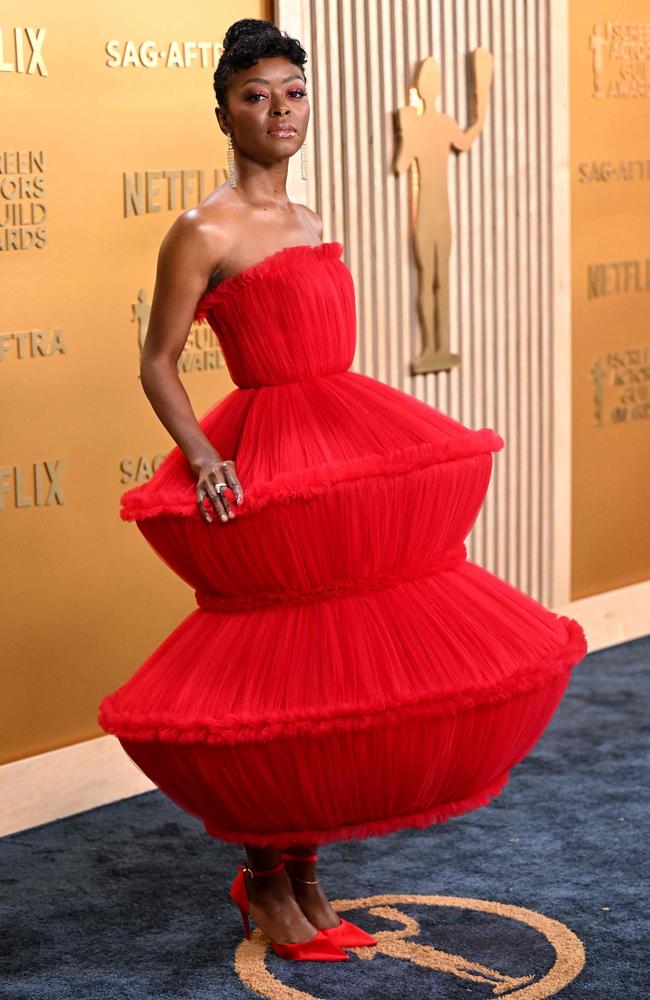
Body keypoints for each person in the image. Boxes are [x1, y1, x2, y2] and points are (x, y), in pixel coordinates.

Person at [98, 17, 588, 963]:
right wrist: (204, 458)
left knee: (330, 671)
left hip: (341, 450)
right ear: (223, 112)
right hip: (265, 462)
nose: (279, 111)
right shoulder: (203, 229)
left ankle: (308, 878)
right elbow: (157, 362)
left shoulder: (312, 219)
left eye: (292, 93)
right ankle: (266, 883)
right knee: (274, 679)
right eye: (256, 96)